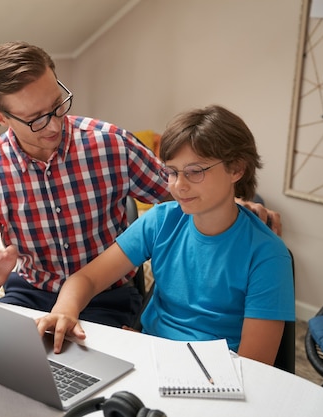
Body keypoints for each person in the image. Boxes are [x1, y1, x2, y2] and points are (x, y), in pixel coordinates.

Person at [0, 41, 282, 329]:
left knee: (83, 375)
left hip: (106, 296)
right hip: (28, 292)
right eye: (36, 118)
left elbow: (184, 191)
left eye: (58, 105)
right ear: (1, 118)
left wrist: (237, 207)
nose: (55, 124)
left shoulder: (110, 144)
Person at [36, 104, 295, 366]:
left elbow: (255, 365)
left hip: (219, 375)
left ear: (236, 170)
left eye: (195, 171)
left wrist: (158, 354)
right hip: (151, 359)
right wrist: (64, 312)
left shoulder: (268, 255)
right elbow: (87, 278)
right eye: (172, 172)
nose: (179, 186)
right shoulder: (161, 220)